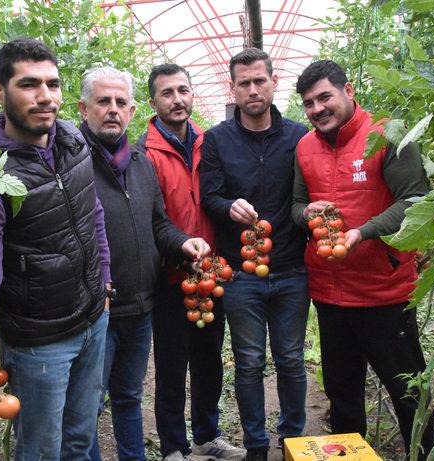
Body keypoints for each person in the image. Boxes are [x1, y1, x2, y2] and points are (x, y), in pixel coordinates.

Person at [0, 38, 111, 461]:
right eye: (29, 84)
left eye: (52, 84)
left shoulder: (71, 139)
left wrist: (104, 282)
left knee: (78, 439)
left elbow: (93, 214)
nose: (45, 97)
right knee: (40, 450)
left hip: (93, 320)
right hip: (39, 341)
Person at [291, 60, 434, 459]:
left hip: (383, 291)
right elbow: (297, 204)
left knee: (408, 391)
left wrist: (363, 231)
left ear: (349, 90)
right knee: (342, 393)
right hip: (330, 294)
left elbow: (416, 199)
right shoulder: (305, 147)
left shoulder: (387, 135)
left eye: (325, 97)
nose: (317, 109)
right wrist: (306, 215)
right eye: (308, 103)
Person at [78, 66, 210, 461]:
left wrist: (184, 242)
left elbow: (157, 224)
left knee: (129, 397)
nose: (113, 110)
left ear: (134, 110)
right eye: (103, 101)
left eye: (120, 102)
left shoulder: (140, 162)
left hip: (140, 305)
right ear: (84, 109)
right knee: (88, 406)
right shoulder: (72, 162)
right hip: (95, 311)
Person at [200, 48, 310, 461]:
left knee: (291, 360)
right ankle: (257, 446)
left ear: (273, 82)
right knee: (247, 362)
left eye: (258, 80)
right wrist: (228, 206)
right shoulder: (217, 139)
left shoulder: (299, 137)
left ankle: (293, 441)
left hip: (291, 269)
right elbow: (208, 195)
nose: (252, 89)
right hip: (241, 274)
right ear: (233, 87)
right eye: (243, 83)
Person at [135, 63, 246, 461]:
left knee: (209, 358)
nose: (177, 99)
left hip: (212, 272)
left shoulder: (210, 143)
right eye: (167, 93)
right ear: (153, 102)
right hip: (172, 276)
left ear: (193, 94)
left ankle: (207, 435)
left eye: (183, 90)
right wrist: (180, 249)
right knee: (170, 363)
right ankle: (173, 446)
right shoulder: (143, 154)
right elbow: (152, 219)